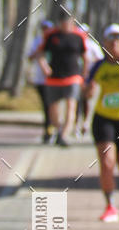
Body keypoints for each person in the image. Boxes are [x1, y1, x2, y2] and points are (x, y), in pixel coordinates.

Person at [84, 23, 119, 222]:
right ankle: (110, 206)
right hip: (104, 118)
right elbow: (88, 89)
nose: (115, 43)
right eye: (111, 39)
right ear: (104, 43)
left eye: (118, 39)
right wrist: (89, 90)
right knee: (107, 164)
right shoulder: (99, 66)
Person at [35, 10, 87, 146]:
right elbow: (40, 54)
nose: (66, 24)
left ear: (73, 21)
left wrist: (84, 76)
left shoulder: (79, 36)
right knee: (53, 110)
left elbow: (85, 57)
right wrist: (44, 67)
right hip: (54, 78)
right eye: (63, 21)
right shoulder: (51, 35)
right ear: (59, 22)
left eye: (69, 21)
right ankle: (58, 130)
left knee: (71, 106)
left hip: (73, 77)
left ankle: (63, 136)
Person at [27, 19, 53, 143]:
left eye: (47, 28)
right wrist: (38, 52)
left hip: (55, 79)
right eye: (43, 28)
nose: (45, 31)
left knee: (52, 106)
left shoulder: (55, 40)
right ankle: (48, 130)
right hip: (40, 79)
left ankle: (52, 129)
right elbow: (30, 57)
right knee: (46, 106)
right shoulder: (37, 41)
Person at [76, 23, 103, 138]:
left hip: (89, 77)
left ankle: (86, 124)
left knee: (86, 101)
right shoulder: (75, 44)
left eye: (84, 32)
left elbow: (100, 59)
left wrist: (93, 77)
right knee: (76, 101)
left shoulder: (92, 45)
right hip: (76, 76)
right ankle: (76, 125)